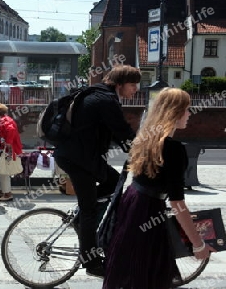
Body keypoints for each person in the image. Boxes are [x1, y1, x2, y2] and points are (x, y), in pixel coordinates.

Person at [103, 88, 215, 288]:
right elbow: (177, 203)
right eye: (187, 109)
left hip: (132, 203)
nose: (189, 113)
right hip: (149, 211)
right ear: (175, 112)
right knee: (149, 273)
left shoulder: (146, 138)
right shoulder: (174, 149)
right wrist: (197, 244)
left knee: (131, 269)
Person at [53, 65, 141, 278]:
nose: (136, 89)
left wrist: (132, 147)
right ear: (119, 83)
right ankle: (91, 262)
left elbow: (109, 132)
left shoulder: (97, 94)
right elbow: (122, 131)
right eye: (132, 85)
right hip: (79, 160)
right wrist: (140, 152)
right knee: (89, 210)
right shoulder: (105, 100)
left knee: (112, 182)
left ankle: (83, 219)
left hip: (83, 157)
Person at [0, 103, 23, 201]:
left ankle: (7, 193)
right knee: (3, 170)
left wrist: (8, 142)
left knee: (4, 170)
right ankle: (3, 190)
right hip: (8, 149)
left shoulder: (4, 120)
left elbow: (10, 130)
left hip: (7, 149)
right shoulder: (7, 119)